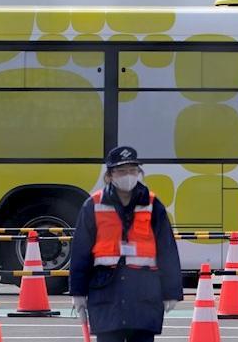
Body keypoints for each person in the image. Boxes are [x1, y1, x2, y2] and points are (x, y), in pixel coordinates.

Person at [69, 146, 183, 341]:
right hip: (106, 290)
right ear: (110, 175)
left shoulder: (153, 204)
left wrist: (171, 291)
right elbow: (81, 251)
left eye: (132, 170)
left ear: (139, 173)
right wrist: (77, 292)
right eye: (122, 171)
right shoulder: (93, 204)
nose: (128, 175)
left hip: (144, 291)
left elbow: (167, 250)